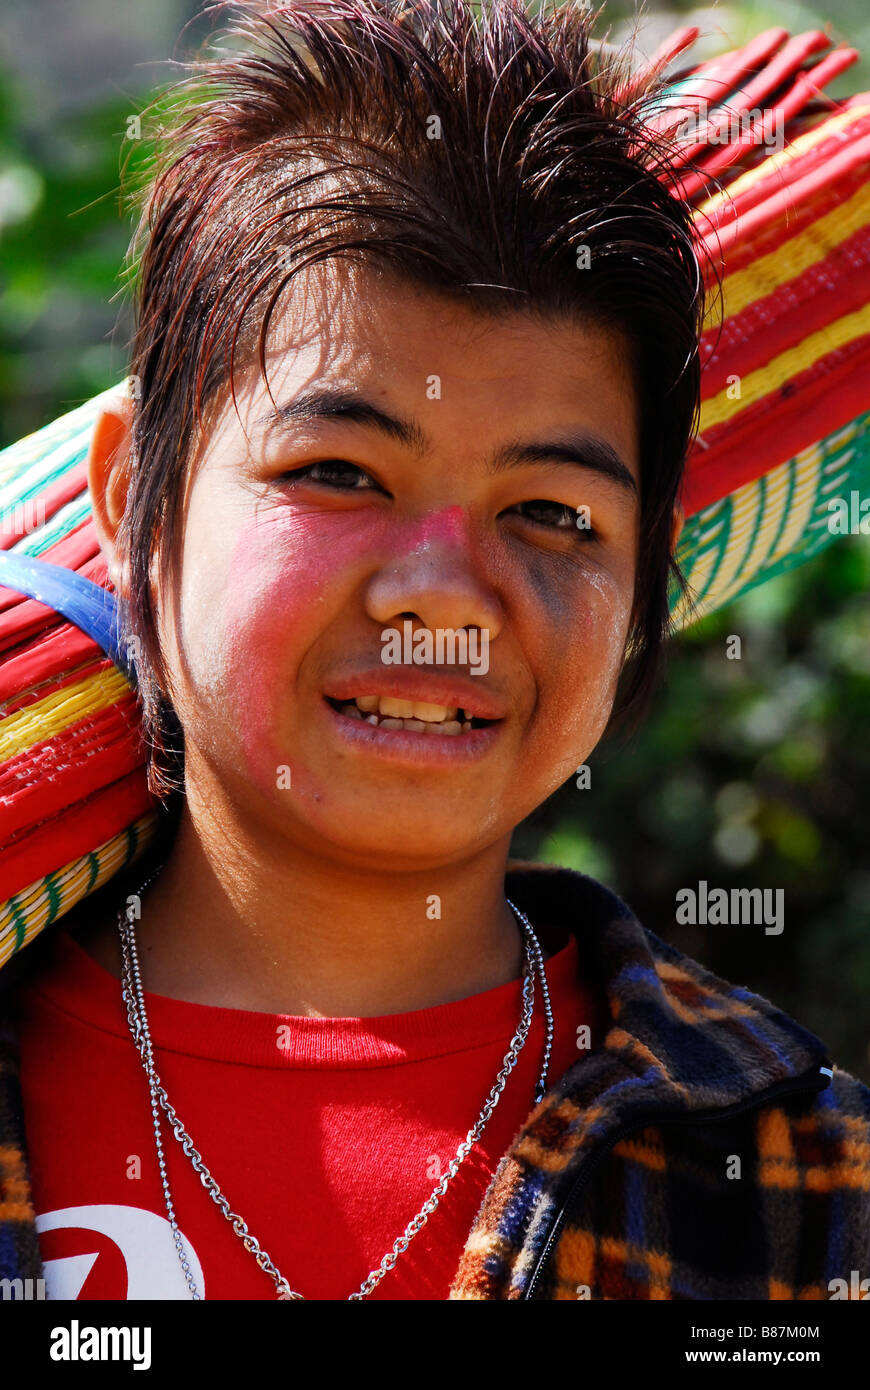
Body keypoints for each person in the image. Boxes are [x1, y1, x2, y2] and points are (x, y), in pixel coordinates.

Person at [1, 0, 868, 1302]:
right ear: (136, 509)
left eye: (551, 513)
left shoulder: (805, 1192)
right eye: (340, 471)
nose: (444, 600)